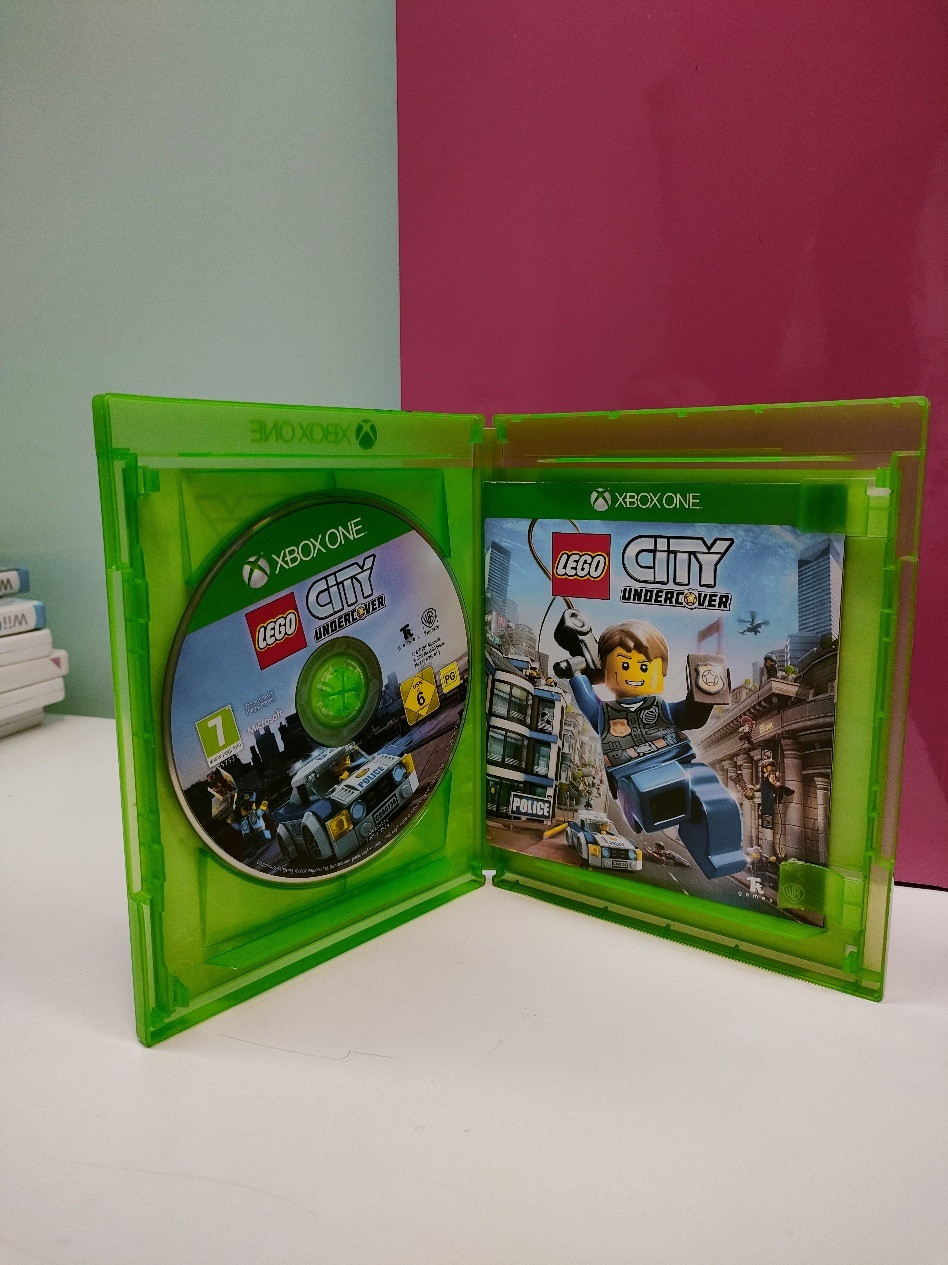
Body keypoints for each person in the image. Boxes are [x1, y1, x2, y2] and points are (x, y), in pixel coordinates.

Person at [553, 613, 745, 879]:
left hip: (675, 760)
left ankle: (722, 854)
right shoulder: (605, 713)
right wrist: (577, 674)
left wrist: (703, 696)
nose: (634, 674)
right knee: (646, 792)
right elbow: (588, 701)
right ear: (605, 672)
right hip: (630, 771)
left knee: (713, 794)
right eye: (623, 665)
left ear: (660, 672)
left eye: (644, 667)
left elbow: (690, 716)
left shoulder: (662, 707)